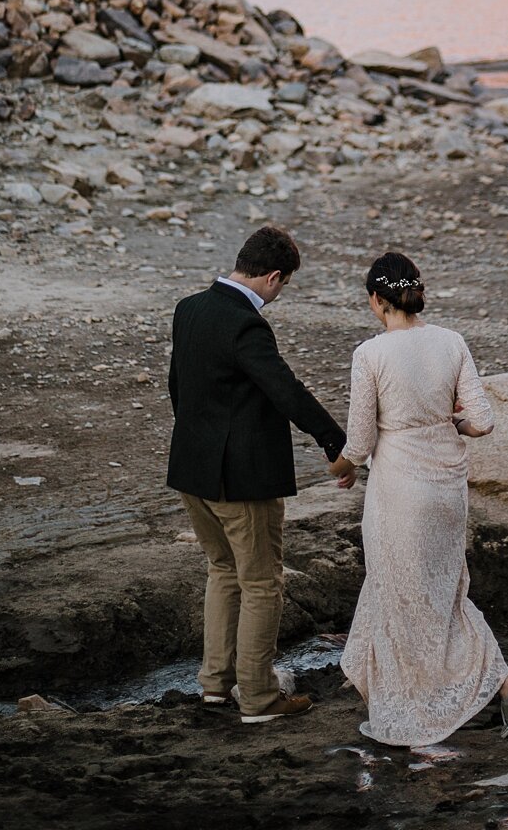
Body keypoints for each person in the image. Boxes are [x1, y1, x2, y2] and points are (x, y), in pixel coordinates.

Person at [328, 252, 508, 746]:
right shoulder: (451, 341)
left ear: (377, 300)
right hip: (447, 488)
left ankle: (443, 702)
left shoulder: (370, 354)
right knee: (440, 594)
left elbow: (357, 443)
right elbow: (481, 421)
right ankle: (493, 691)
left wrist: (340, 467)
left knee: (405, 594)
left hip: (399, 492)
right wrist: (453, 423)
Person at [167, 225, 345, 723]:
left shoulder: (189, 308)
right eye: (283, 284)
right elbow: (283, 388)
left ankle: (215, 686)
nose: (280, 293)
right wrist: (334, 440)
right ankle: (261, 697)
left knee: (222, 571)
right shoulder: (246, 324)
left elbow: (176, 387)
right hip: (240, 480)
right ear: (272, 276)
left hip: (191, 471)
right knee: (262, 582)